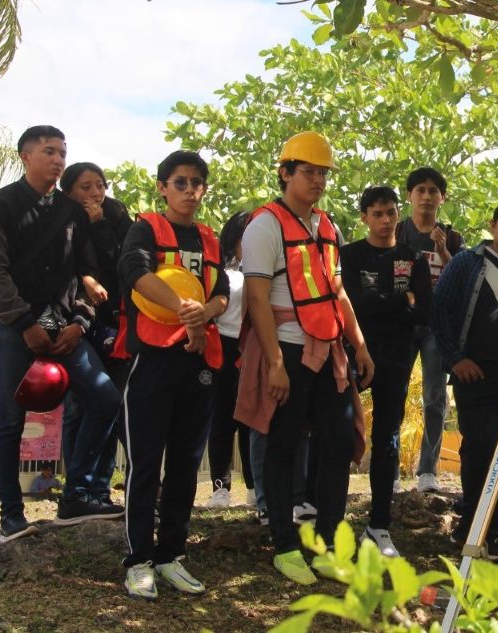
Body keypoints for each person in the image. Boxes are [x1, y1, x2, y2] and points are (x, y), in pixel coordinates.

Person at [235, 131, 372, 585]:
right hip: (288, 351)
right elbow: (256, 298)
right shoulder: (265, 225)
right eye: (308, 171)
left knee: (336, 445)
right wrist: (274, 362)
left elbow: (337, 291)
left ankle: (329, 546)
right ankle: (285, 547)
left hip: (329, 348)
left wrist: (359, 343)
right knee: (282, 448)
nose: (316, 180)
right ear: (285, 173)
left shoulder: (327, 226)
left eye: (322, 173)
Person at [0, 125, 123, 543]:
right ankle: (11, 516)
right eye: (49, 151)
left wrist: (79, 323)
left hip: (65, 329)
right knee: (10, 418)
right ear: (25, 156)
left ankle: (75, 496)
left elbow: (87, 270)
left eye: (63, 152)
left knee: (105, 398)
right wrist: (24, 324)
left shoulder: (71, 211)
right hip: (11, 327)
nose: (58, 159)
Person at [115, 149, 229, 599]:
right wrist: (186, 312)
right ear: (163, 187)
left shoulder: (210, 239)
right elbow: (135, 274)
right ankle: (138, 559)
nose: (189, 190)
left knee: (185, 463)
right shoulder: (145, 228)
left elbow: (222, 292)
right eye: (180, 182)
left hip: (197, 361)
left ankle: (171, 555)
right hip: (152, 360)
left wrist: (205, 315)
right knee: (146, 463)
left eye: (197, 183)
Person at [432, 197, 498, 550]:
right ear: (493, 226)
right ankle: (475, 525)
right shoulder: (465, 263)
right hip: (473, 375)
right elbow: (439, 310)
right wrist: (456, 358)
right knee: (481, 447)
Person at [339, 185, 431, 557]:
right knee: (337, 433)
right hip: (351, 352)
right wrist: (398, 300)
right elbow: (349, 304)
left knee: (387, 440)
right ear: (364, 217)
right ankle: (324, 517)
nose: (384, 220)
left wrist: (377, 304)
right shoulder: (348, 255)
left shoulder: (413, 258)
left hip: (396, 357)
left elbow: (424, 311)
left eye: (390, 212)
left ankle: (379, 525)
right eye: (376, 213)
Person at [59, 161, 134, 514]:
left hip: (115, 321)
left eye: (99, 185)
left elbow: (124, 262)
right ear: (69, 190)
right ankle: (77, 491)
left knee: (111, 404)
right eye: (85, 187)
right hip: (76, 320)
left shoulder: (116, 214)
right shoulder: (60, 217)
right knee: (79, 407)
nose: (94, 193)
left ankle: (99, 491)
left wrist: (100, 224)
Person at [396, 167, 465, 493]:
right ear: (410, 195)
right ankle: (389, 468)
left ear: (442, 197)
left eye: (433, 191)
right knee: (393, 394)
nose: (426, 196)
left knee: (435, 397)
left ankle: (428, 470)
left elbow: (461, 280)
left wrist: (443, 251)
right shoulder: (397, 231)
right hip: (403, 323)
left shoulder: (451, 237)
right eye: (420, 190)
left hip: (437, 326)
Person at [204, 211, 255, 509]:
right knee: (222, 420)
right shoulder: (220, 269)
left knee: (251, 419)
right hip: (223, 345)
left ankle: (253, 485)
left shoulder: (266, 266)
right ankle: (220, 488)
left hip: (253, 346)